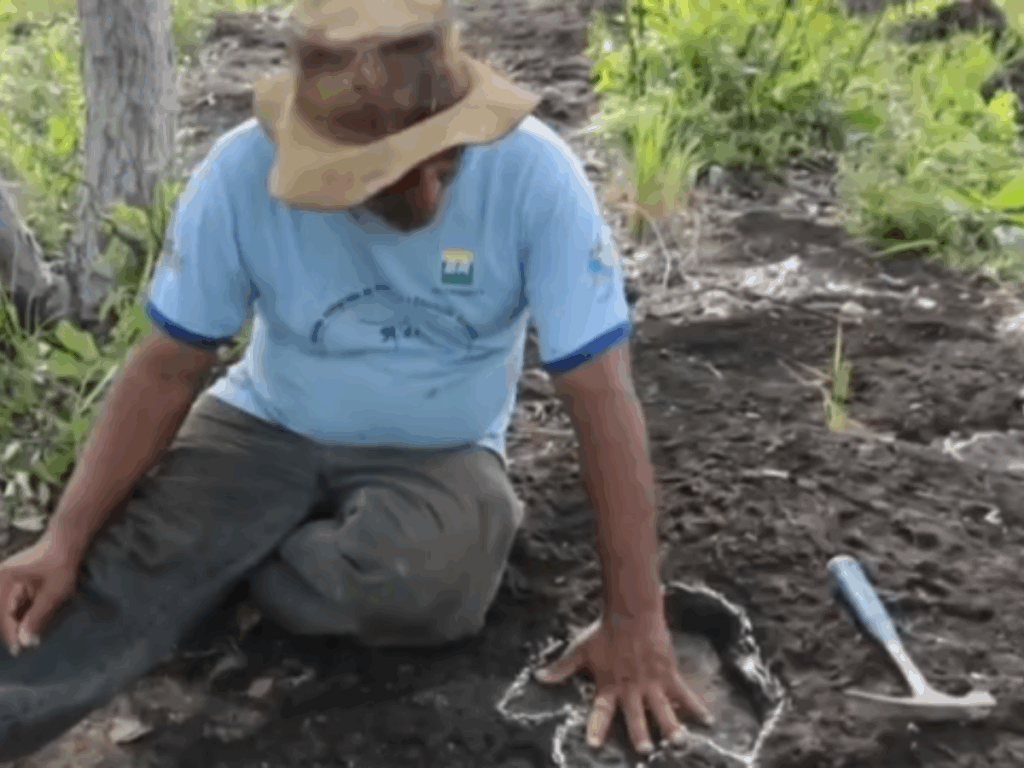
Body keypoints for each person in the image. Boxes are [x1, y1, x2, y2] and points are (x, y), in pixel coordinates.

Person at [0, 0, 713, 759]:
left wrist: (636, 618)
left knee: (431, 583)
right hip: (265, 423)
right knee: (122, 573)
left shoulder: (536, 176)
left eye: (446, 163)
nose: (432, 199)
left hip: (441, 447)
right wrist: (64, 538)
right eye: (395, 180)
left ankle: (239, 567)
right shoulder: (242, 175)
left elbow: (601, 394)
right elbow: (168, 365)